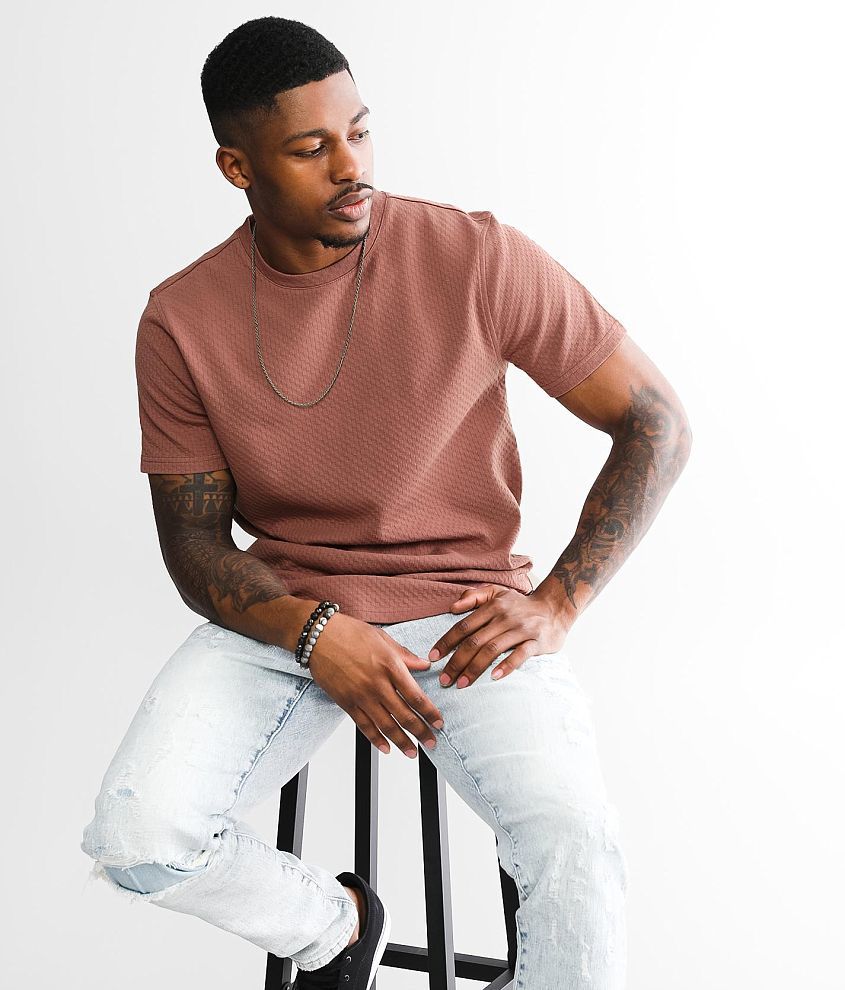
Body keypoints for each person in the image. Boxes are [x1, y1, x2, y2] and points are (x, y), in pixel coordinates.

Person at [79, 15, 692, 990]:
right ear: (237, 168)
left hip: (464, 614)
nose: (350, 166)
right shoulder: (181, 319)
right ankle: (332, 929)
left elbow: (654, 421)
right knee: (137, 839)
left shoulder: (474, 255)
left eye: (359, 131)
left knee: (573, 841)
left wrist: (557, 603)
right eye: (310, 148)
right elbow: (193, 545)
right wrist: (316, 631)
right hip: (283, 620)